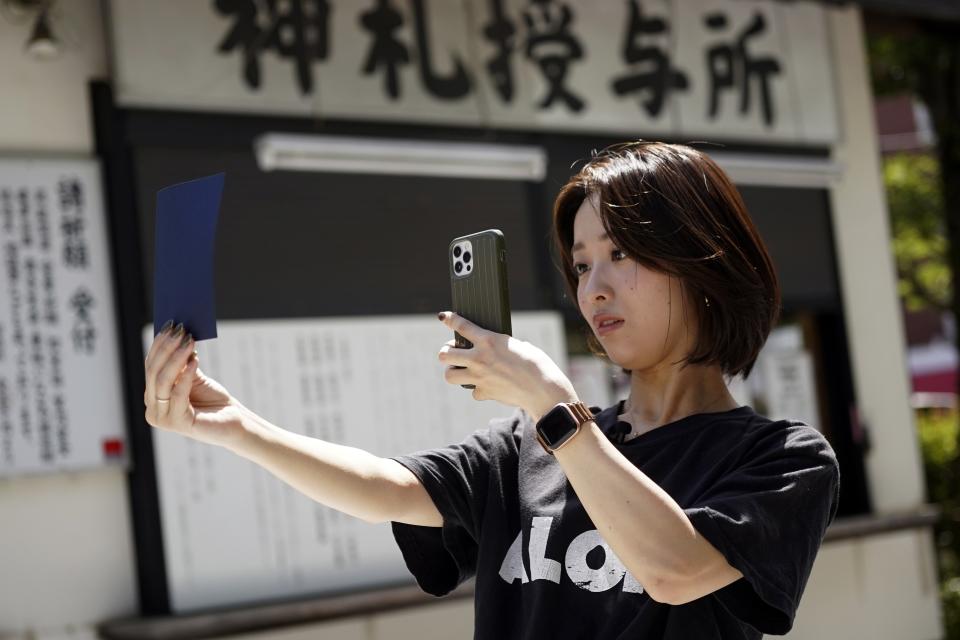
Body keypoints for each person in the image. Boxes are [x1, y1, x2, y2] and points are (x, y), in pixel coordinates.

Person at [144, 141, 840, 639]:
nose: (594, 287)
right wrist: (239, 428)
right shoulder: (527, 446)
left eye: (622, 253)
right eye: (581, 261)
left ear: (702, 259)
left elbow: (675, 570)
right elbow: (388, 488)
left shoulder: (785, 459)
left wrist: (555, 411)